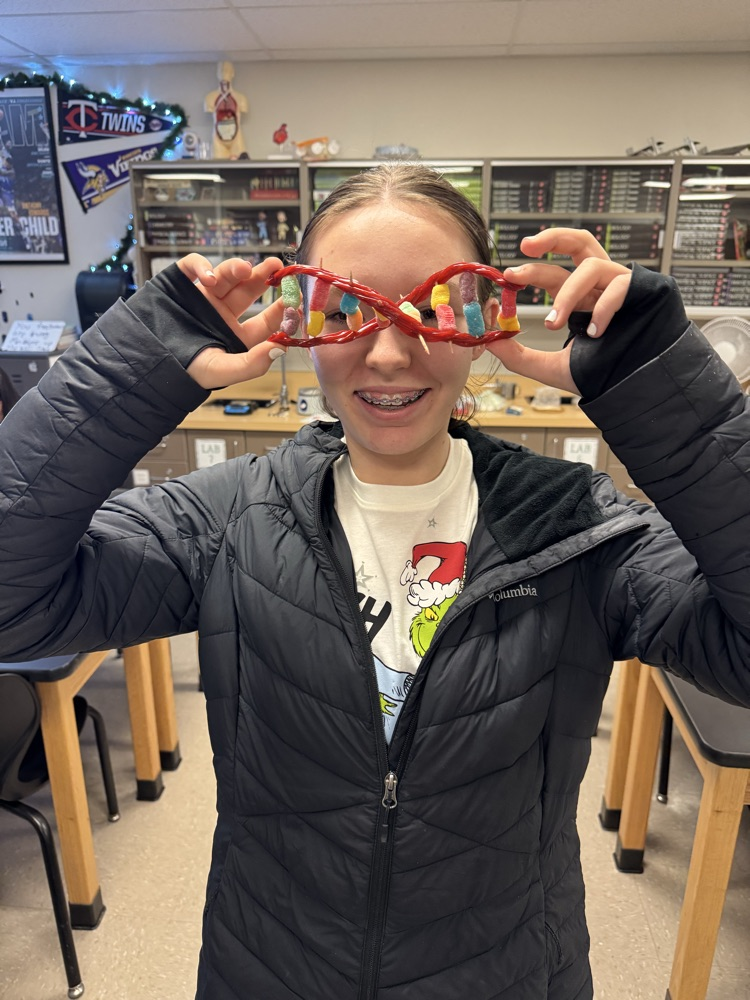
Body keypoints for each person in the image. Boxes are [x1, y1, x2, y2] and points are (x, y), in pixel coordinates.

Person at [0, 163, 748, 1000]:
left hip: (506, 974)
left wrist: (661, 388)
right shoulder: (229, 518)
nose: (389, 354)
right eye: (346, 309)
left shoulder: (578, 528)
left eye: (432, 308)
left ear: (482, 320)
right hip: (269, 969)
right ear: (302, 320)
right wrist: (139, 363)